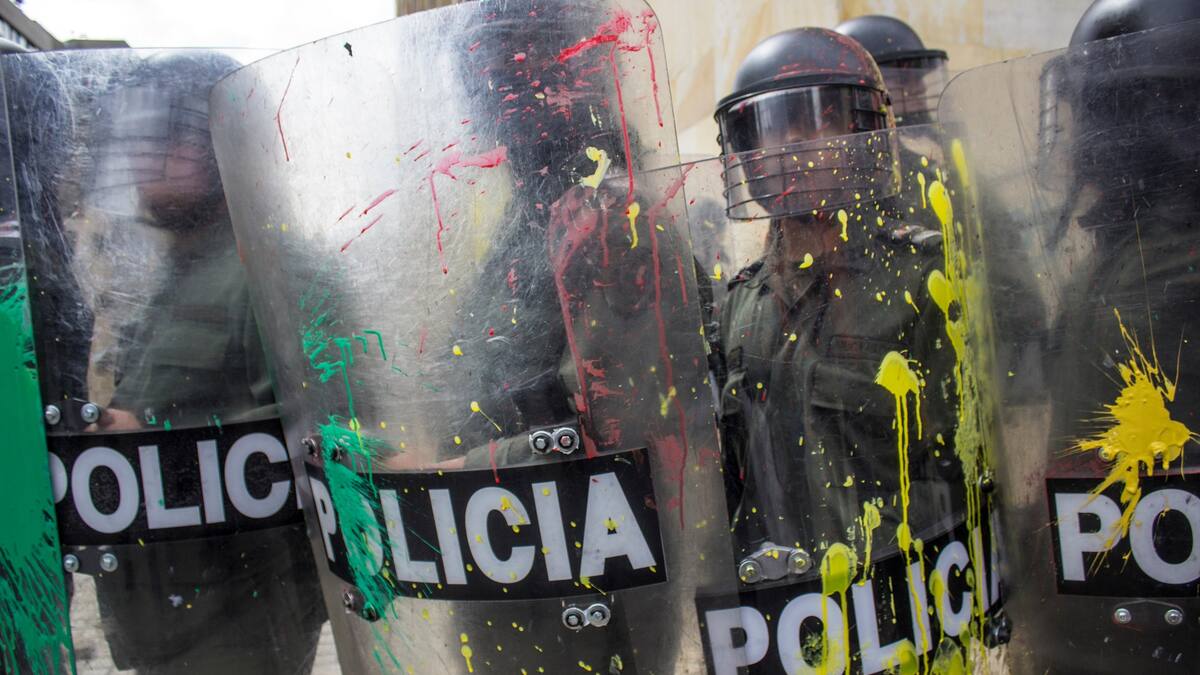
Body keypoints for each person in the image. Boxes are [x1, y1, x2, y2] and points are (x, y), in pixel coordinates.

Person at [15, 50, 326, 674]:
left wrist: (152, 445)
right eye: (137, 134)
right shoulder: (175, 271)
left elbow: (324, 442)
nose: (139, 157)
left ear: (217, 141)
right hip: (167, 605)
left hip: (243, 609)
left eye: (164, 134)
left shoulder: (270, 268)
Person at [709, 26, 982, 671]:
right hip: (780, 628)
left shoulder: (927, 284)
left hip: (900, 619)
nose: (794, 144)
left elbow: (968, 476)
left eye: (820, 121)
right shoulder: (740, 305)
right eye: (772, 129)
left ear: (862, 134)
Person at [834, 15, 949, 127]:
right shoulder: (856, 140)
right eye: (904, 79)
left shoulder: (937, 135)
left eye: (919, 77)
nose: (921, 88)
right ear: (862, 93)